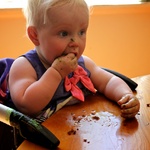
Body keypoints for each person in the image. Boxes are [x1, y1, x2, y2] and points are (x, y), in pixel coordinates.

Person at [8, 0, 140, 123]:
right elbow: (26, 105)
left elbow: (108, 82)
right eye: (64, 33)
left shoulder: (83, 64)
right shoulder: (24, 66)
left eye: (81, 32)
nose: (75, 42)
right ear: (35, 35)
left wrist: (125, 95)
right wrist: (55, 73)